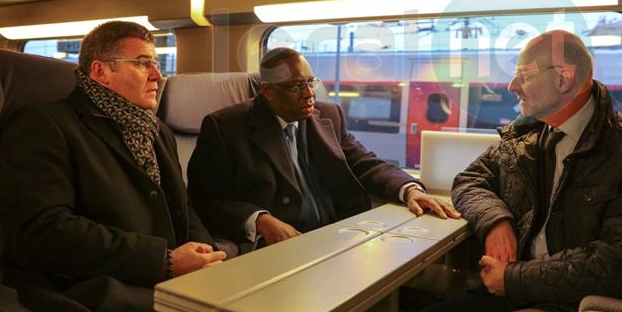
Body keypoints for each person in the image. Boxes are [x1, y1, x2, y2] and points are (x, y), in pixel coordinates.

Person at [412, 30, 622, 312]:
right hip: (512, 290)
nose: (512, 86)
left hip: (578, 303)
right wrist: (495, 221)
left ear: (564, 79)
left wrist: (515, 278)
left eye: (524, 76)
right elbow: (469, 180)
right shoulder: (526, 136)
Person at [0, 21, 226, 312]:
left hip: (152, 274)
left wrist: (204, 252)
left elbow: (182, 205)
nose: (158, 75)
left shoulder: (157, 131)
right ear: (101, 71)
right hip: (83, 284)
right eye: (143, 64)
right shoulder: (44, 124)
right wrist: (163, 261)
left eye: (155, 64)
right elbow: (44, 230)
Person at [187, 47, 460, 247]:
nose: (309, 94)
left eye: (311, 82)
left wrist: (410, 189)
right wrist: (259, 220)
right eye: (296, 86)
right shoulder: (226, 127)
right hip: (282, 241)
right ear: (268, 91)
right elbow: (204, 199)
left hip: (340, 229)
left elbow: (365, 162)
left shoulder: (327, 115)